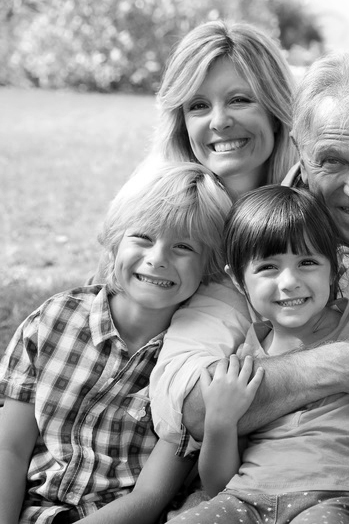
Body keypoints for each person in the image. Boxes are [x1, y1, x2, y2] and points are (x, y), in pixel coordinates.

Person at [0, 162, 232, 524]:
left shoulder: (190, 366)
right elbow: (9, 449)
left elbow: (150, 496)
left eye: (183, 247)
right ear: (115, 240)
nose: (157, 258)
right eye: (142, 237)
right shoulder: (52, 322)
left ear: (210, 265)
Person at [169, 186, 349, 524]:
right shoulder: (247, 357)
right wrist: (220, 421)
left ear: (334, 268)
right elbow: (218, 483)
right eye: (268, 267)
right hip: (245, 499)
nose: (290, 281)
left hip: (332, 499)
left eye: (307, 262)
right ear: (238, 281)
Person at [149, 20, 298, 200]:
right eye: (199, 106)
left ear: (275, 114)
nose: (219, 122)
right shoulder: (152, 218)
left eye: (238, 100)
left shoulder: (321, 214)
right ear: (182, 125)